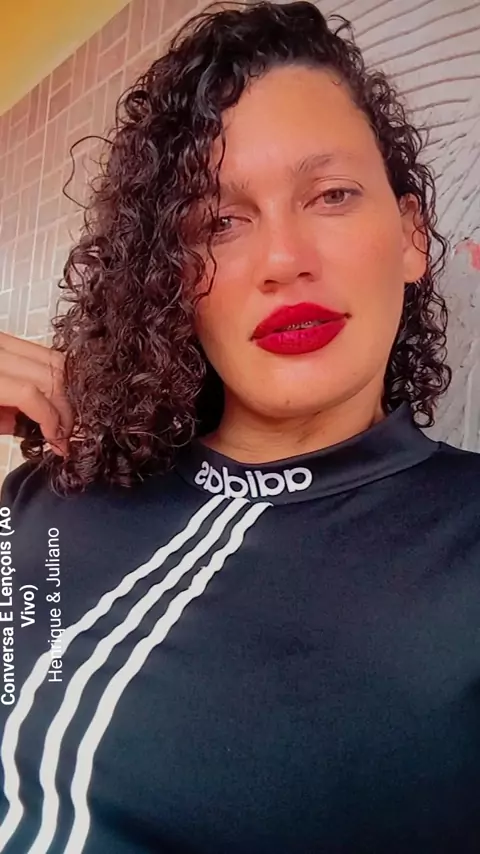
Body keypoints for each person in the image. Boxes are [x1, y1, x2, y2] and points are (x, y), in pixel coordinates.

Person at [0, 2, 479, 852]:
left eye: (331, 195)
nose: (283, 260)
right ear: (168, 274)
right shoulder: (48, 495)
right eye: (219, 222)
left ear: (412, 235)